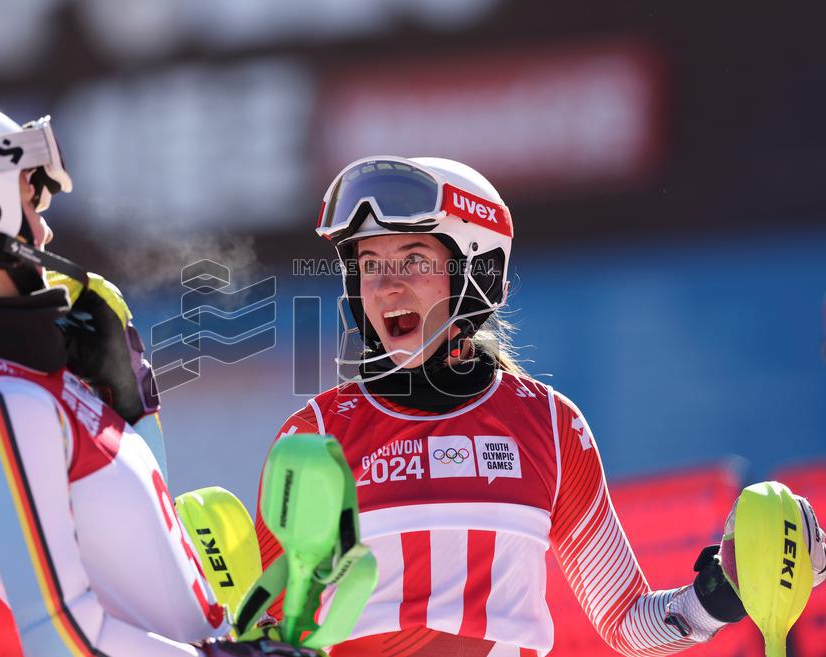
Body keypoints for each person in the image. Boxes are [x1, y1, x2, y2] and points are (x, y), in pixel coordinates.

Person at [255, 156, 826, 656]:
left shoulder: (550, 427)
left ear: (476, 271)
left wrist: (727, 593)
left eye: (412, 260)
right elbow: (256, 621)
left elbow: (628, 623)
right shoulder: (315, 437)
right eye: (370, 265)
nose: (385, 287)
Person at [0, 98, 314, 657]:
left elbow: (138, 569)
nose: (44, 229)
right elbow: (58, 637)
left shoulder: (7, 385)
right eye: (28, 200)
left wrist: (134, 420)